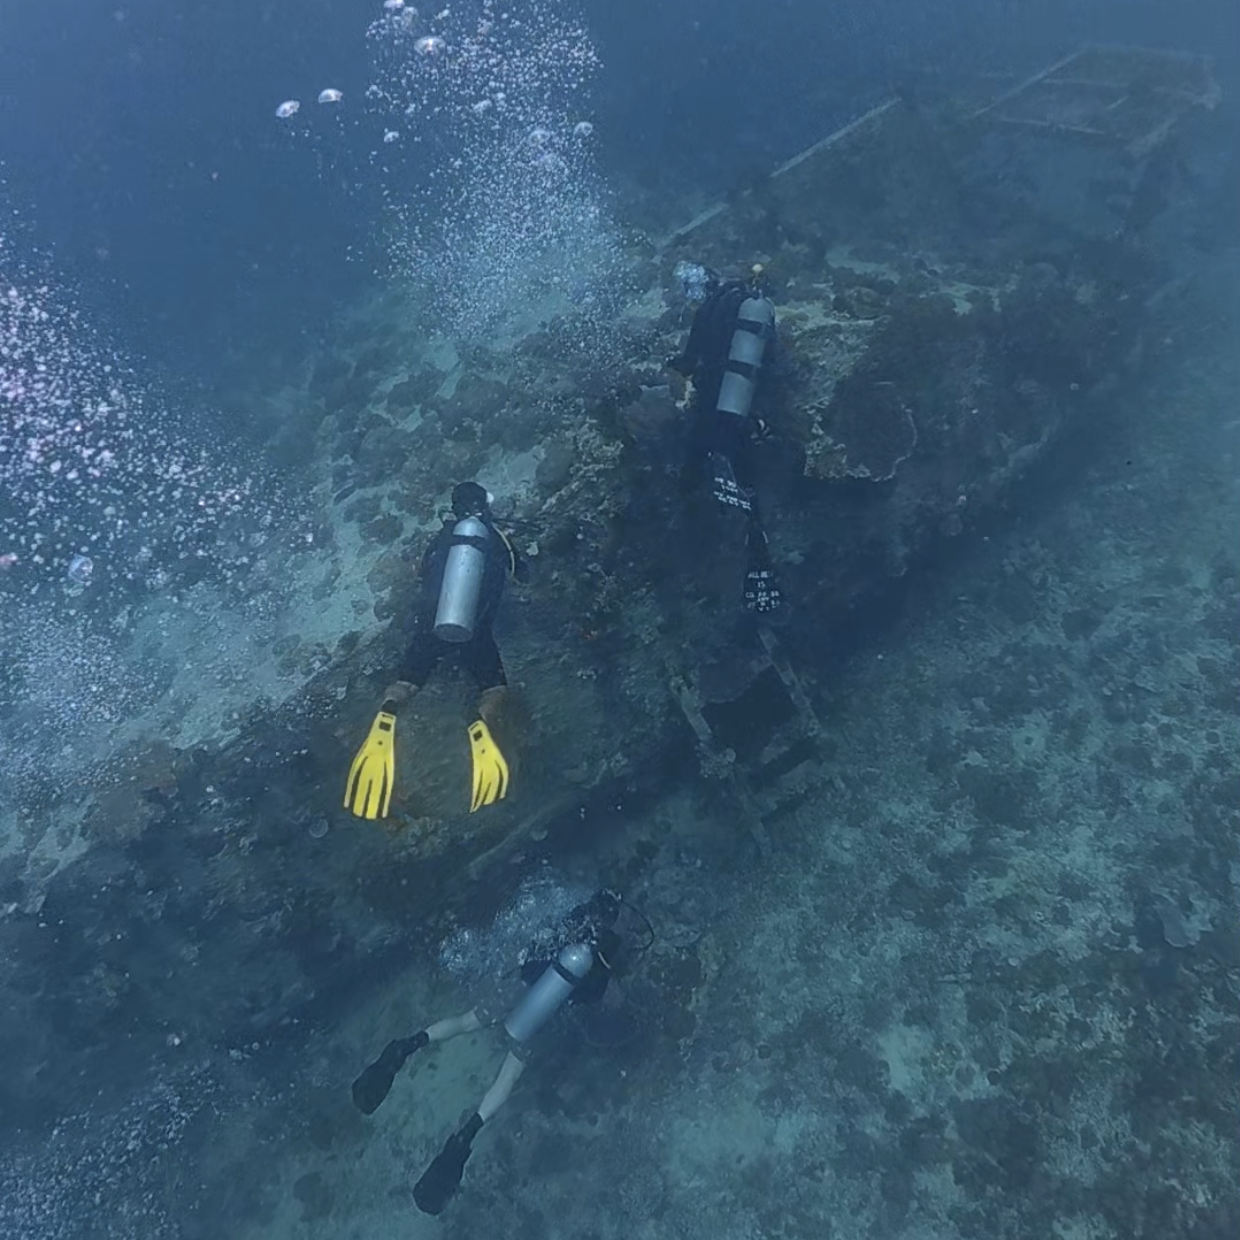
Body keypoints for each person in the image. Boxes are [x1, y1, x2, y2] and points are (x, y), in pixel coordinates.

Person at [350, 889, 633, 1215]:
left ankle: (407, 1045)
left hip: (520, 982)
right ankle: (467, 1133)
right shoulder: (595, 960)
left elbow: (541, 941)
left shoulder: (572, 919)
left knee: (466, 1021)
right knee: (509, 1073)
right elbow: (591, 993)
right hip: (538, 1018)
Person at [344, 481, 528, 820]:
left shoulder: (441, 538)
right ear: (484, 506)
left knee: (407, 682)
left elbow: (423, 577)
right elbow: (522, 573)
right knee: (494, 688)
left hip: (430, 626)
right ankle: (479, 719)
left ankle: (389, 710)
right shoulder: (494, 535)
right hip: (473, 631)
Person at [666, 264, 783, 613]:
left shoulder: (708, 309)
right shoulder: (751, 306)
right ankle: (759, 553)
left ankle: (704, 541)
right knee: (744, 475)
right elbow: (772, 359)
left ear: (700, 287)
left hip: (714, 406)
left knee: (696, 467)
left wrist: (672, 371)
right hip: (744, 408)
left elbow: (690, 359)